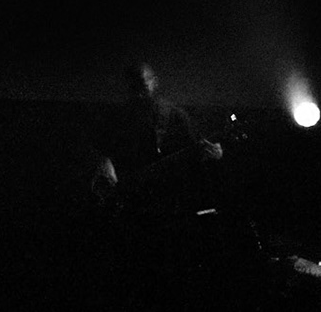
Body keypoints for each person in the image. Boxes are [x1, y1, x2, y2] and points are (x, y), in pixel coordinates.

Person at [90, 60, 225, 213]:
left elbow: (194, 150)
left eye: (141, 83)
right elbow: (98, 146)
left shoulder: (174, 115)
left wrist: (214, 154)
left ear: (155, 82)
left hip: (166, 198)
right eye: (132, 85)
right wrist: (104, 162)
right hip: (130, 200)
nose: (137, 90)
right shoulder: (118, 116)